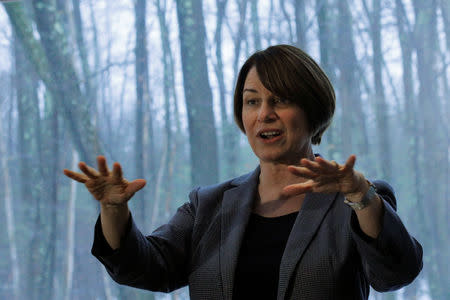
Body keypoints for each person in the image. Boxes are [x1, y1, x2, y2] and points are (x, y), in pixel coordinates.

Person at [63, 44, 422, 300]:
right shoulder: (207, 206)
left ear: (312, 111)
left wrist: (361, 197)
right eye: (252, 101)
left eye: (279, 100)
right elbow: (143, 267)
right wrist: (113, 209)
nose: (264, 113)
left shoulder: (359, 199)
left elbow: (395, 274)